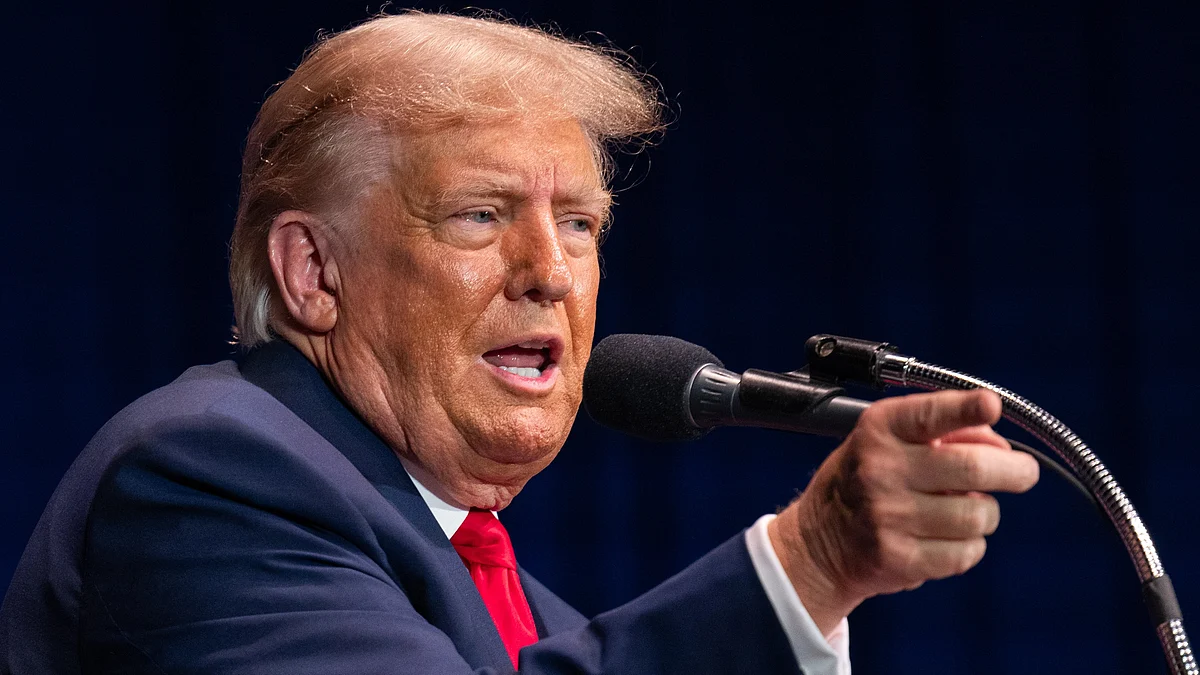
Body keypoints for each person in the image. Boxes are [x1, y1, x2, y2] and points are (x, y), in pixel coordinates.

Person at [0, 12, 1039, 674]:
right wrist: (806, 561)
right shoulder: (209, 476)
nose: (551, 271)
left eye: (579, 223)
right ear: (313, 272)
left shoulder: (516, 610)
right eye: (479, 215)